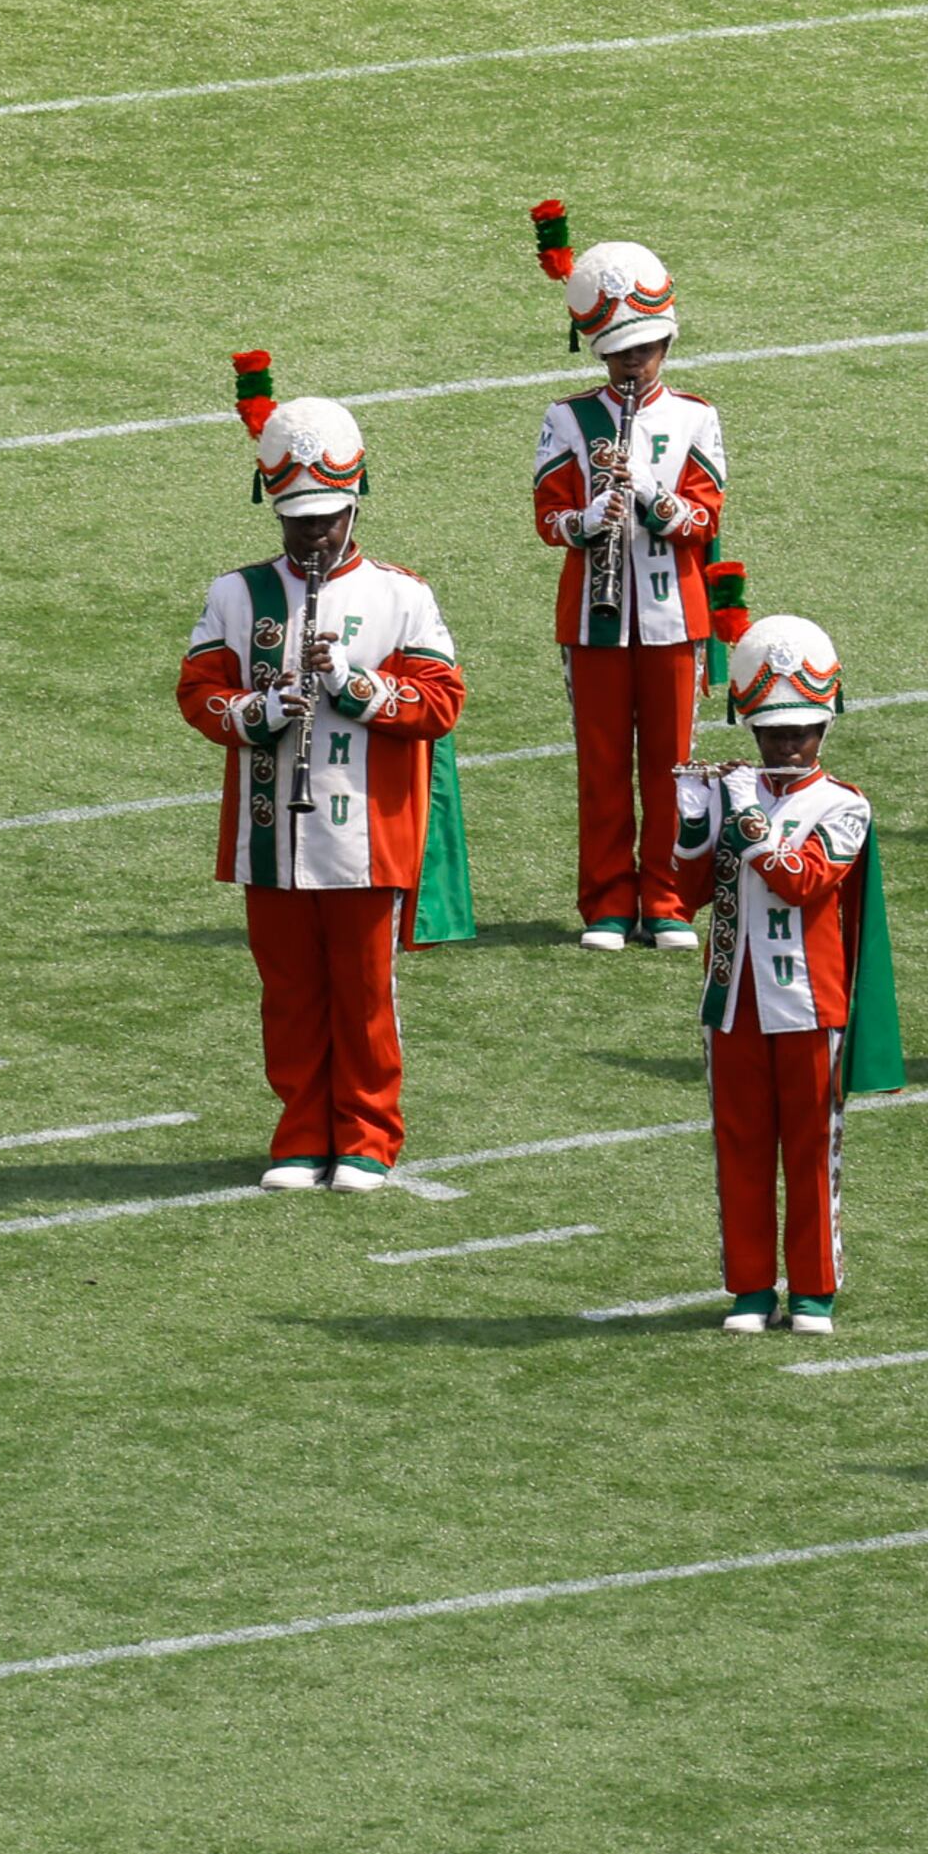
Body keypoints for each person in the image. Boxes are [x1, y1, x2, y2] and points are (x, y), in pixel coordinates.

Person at [176, 392, 466, 1192]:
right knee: (291, 993)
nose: (314, 533)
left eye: (328, 517)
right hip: (270, 829)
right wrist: (259, 711)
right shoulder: (236, 594)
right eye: (299, 518)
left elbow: (442, 701)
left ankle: (368, 1136)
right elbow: (198, 692)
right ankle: (302, 1130)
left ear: (353, 503)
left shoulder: (401, 594)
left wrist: (356, 685)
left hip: (366, 833)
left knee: (366, 996)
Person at [673, 613, 904, 1334]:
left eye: (800, 731)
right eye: (774, 733)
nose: (786, 745)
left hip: (810, 1003)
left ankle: (812, 1290)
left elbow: (804, 881)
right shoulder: (734, 789)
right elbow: (683, 894)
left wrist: (749, 822)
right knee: (739, 1148)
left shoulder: (846, 804)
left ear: (823, 730)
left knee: (810, 1152)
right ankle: (749, 1288)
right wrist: (690, 819)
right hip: (733, 1001)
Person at [527, 224, 728, 952]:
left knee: (674, 766)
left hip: (676, 614)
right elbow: (547, 517)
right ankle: (608, 900)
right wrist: (587, 518)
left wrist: (645, 490)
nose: (631, 365)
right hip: (594, 616)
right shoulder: (567, 418)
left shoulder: (694, 416)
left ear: (665, 346)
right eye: (617, 353)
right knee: (603, 763)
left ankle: (669, 899)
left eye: (642, 351)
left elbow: (706, 518)